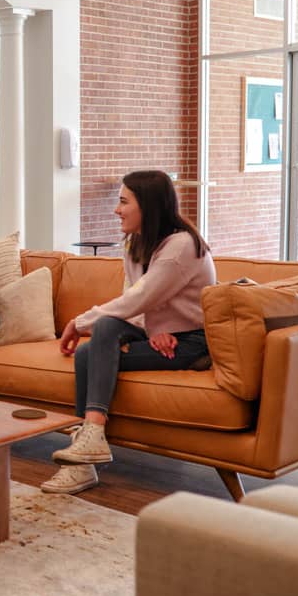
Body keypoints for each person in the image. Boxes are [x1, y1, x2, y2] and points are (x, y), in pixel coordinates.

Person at [42, 170, 216, 495]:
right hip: (161, 338)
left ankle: (86, 454)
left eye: (123, 202)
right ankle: (89, 447)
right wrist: (152, 331)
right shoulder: (135, 242)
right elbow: (133, 304)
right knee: (92, 344)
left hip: (192, 342)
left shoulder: (181, 246)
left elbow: (139, 298)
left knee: (91, 346)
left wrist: (78, 323)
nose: (116, 209)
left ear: (148, 206)